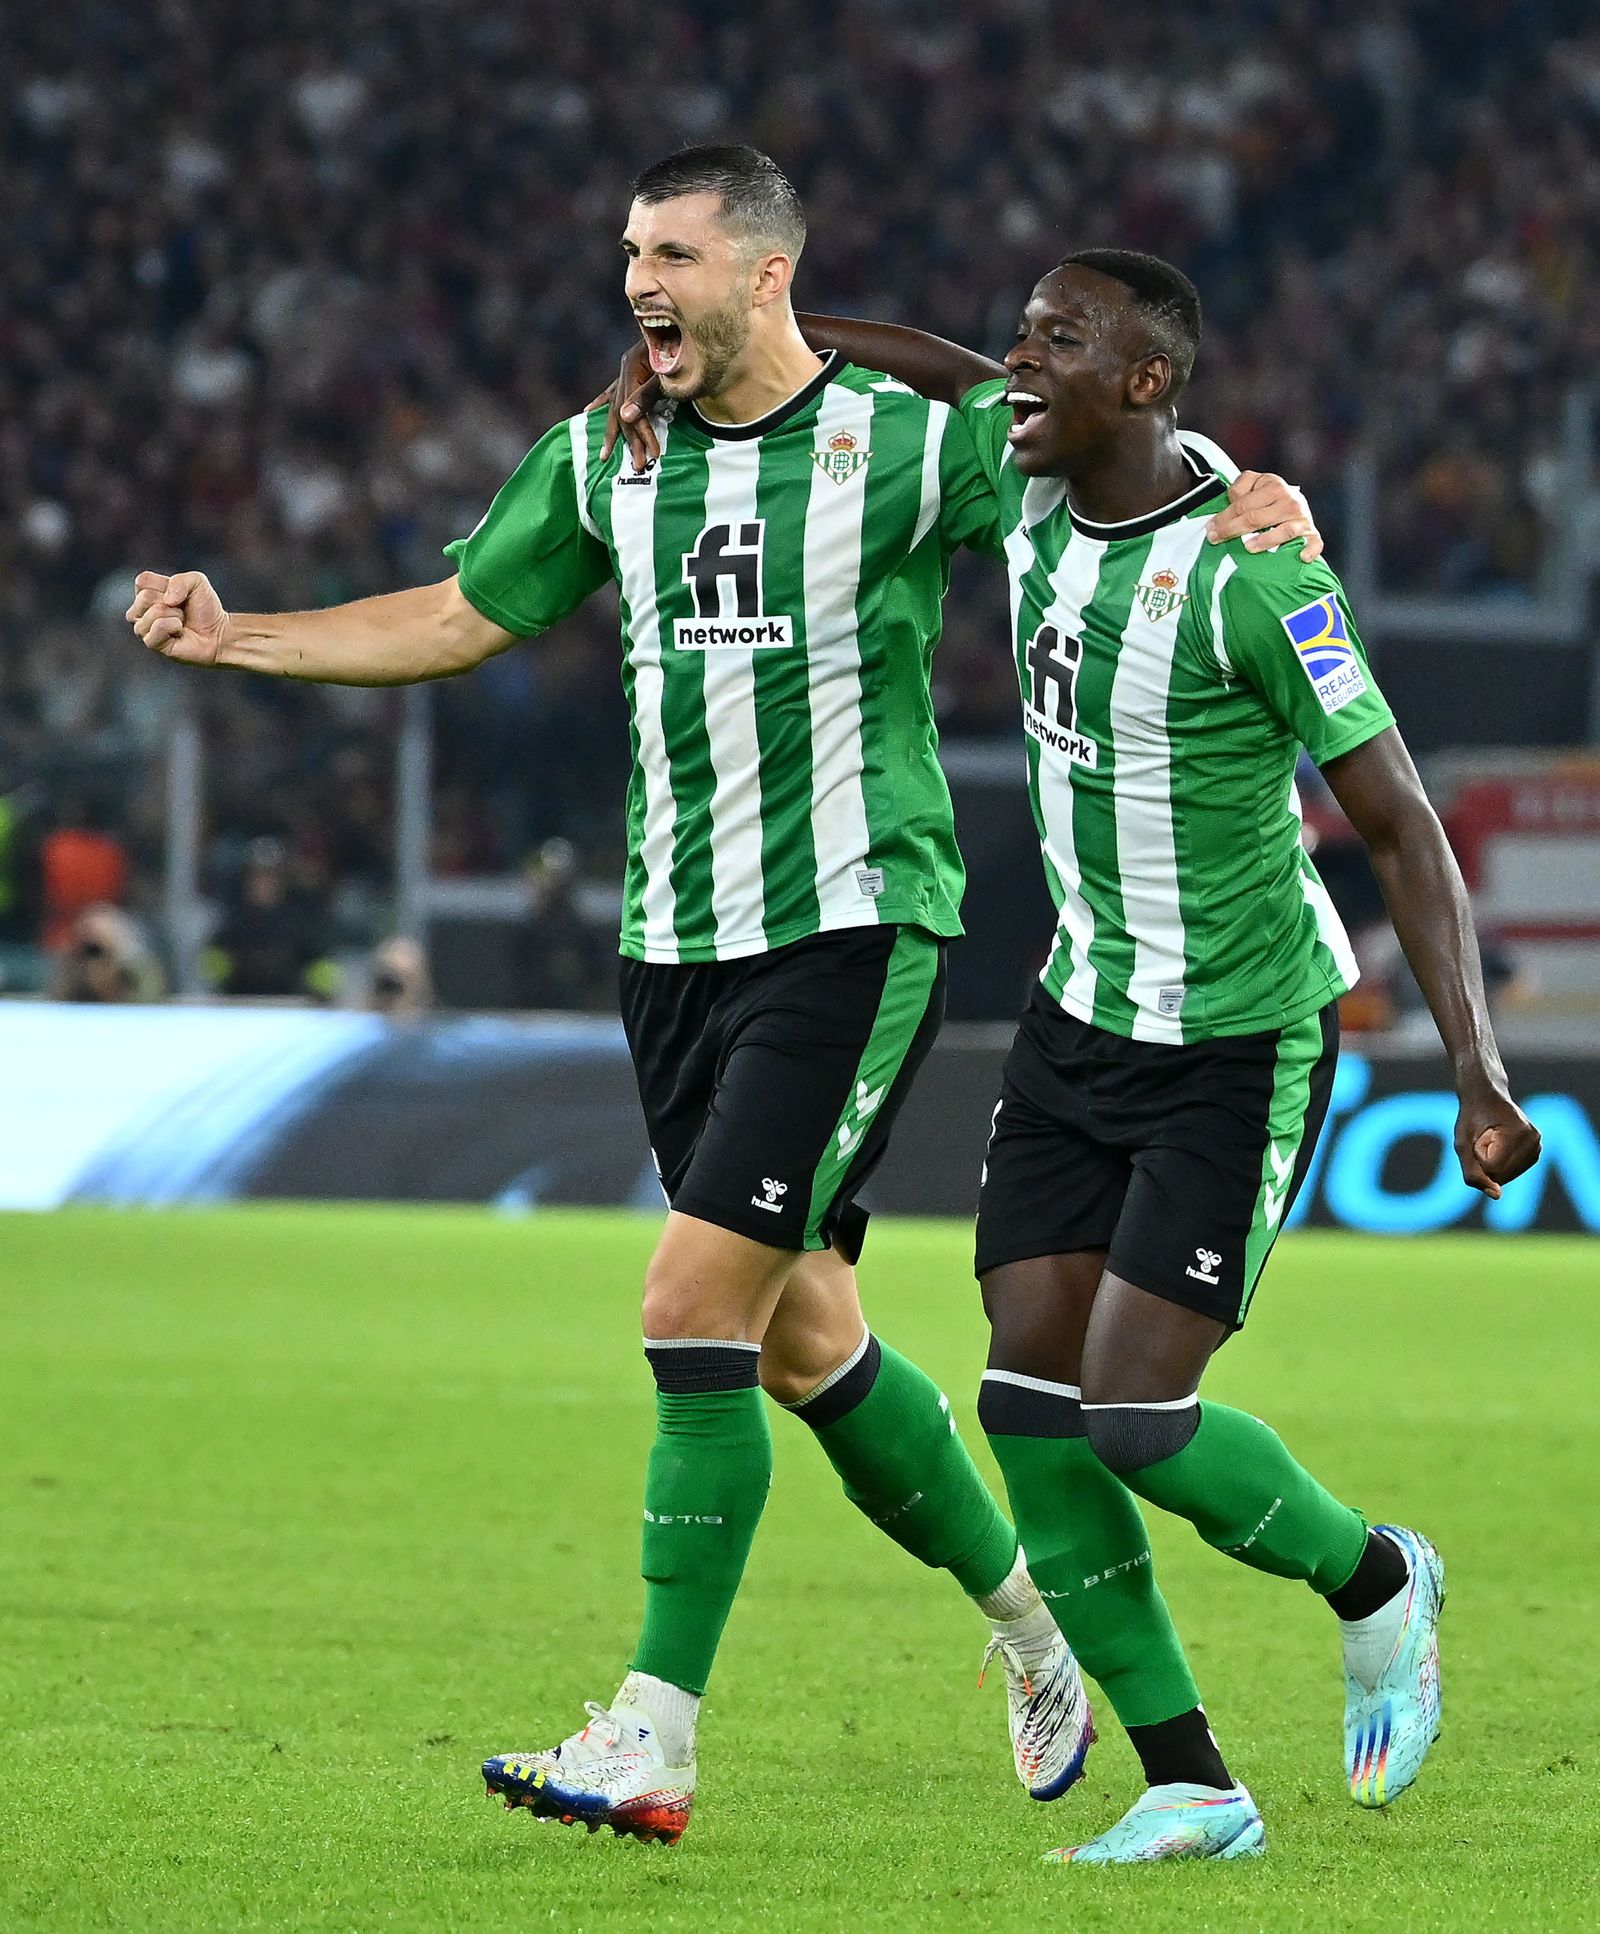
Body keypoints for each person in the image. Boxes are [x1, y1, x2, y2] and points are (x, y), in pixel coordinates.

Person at [126, 145, 1315, 1846]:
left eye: (673, 253)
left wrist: (1241, 480)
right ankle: (1034, 1627)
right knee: (800, 1334)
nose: (638, 284)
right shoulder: (606, 453)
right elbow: (462, 614)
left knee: (690, 1302)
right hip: (671, 943)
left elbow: (1093, 435)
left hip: (853, 924)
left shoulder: (902, 445)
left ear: (766, 275)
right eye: (631, 252)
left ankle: (653, 1735)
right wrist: (239, 635)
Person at [651, 254, 1535, 1863]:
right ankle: (1192, 1778)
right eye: (1024, 333)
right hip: (1076, 1020)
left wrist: (1475, 1064)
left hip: (1233, 1037)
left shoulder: (1259, 576)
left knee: (1135, 1415)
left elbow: (1402, 825)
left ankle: (1379, 1580)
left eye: (1060, 341)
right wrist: (742, 334)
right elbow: (920, 366)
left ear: (1145, 383)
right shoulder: (1032, 483)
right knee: (1027, 1400)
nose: (1018, 361)